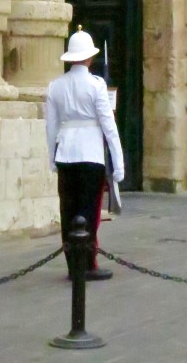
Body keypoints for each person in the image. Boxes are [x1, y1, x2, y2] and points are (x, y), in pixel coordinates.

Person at [45, 28, 124, 280]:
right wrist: (118, 162)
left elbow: (51, 128)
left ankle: (73, 265)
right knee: (89, 211)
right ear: (89, 58)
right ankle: (87, 263)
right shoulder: (96, 85)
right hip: (91, 154)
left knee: (68, 212)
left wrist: (51, 158)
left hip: (66, 154)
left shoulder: (55, 87)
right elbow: (108, 127)